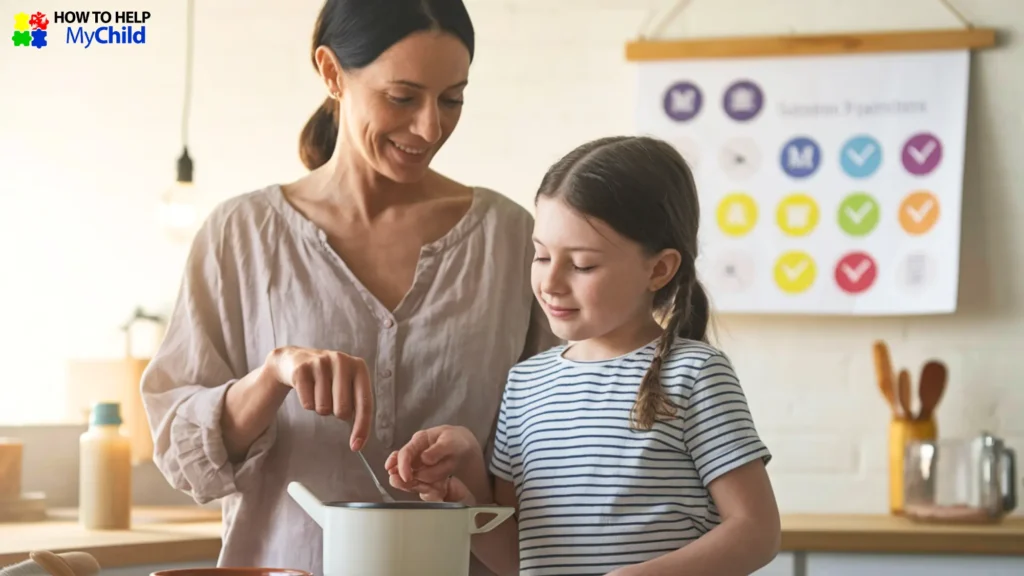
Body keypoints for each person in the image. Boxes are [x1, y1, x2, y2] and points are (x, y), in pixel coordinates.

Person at [139, 1, 557, 574]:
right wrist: (271, 377)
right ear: (332, 73)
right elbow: (181, 452)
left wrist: (476, 473)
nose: (431, 127)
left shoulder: (513, 241)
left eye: (452, 98)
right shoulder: (239, 236)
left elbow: (560, 447)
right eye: (402, 97)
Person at [386, 135, 781, 576]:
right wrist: (469, 495)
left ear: (659, 269)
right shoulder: (524, 385)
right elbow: (518, 558)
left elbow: (756, 531)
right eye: (540, 256)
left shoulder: (696, 374)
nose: (550, 282)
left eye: (582, 265)